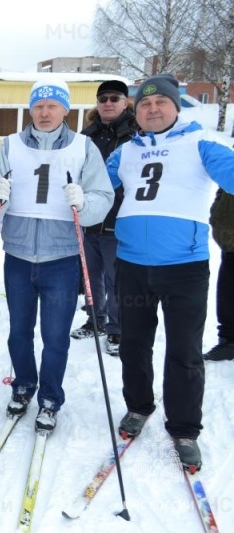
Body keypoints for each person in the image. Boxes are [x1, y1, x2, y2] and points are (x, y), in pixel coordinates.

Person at [107, 73, 234, 469]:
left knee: (183, 351)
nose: (152, 109)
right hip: (131, 264)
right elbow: (94, 189)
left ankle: (183, 427)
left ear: (175, 107)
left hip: (184, 267)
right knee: (133, 343)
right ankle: (138, 406)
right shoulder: (124, 151)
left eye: (160, 103)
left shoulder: (202, 143)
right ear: (137, 113)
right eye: (144, 105)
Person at [0, 79, 113, 432]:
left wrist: (85, 204)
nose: (45, 112)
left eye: (53, 105)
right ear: (30, 110)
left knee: (55, 336)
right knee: (19, 330)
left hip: (63, 257)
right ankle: (23, 385)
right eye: (38, 106)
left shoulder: (84, 147)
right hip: (19, 256)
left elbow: (103, 195)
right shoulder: (10, 145)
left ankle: (51, 397)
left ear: (65, 110)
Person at [69, 80, 137, 356]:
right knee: (89, 274)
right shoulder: (87, 135)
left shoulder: (135, 133)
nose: (108, 103)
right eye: (103, 99)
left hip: (118, 218)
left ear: (125, 102)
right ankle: (95, 319)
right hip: (88, 219)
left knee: (115, 278)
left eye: (114, 98)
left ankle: (118, 329)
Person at [204, 189, 234, 361]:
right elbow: (222, 190)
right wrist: (216, 214)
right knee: (227, 292)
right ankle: (228, 341)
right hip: (229, 240)